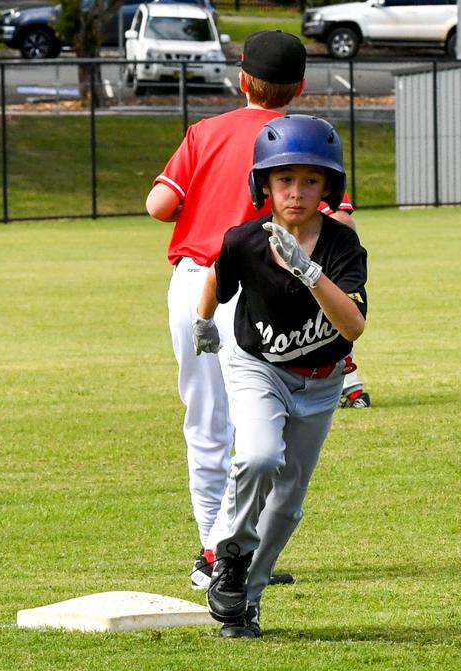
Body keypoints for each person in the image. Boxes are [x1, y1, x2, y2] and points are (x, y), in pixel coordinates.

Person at [146, 31, 369, 593]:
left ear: (240, 78)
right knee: (261, 432)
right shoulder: (300, 139)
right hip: (269, 282)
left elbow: (159, 205)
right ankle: (232, 550)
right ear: (299, 86)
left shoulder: (206, 132)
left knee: (207, 422)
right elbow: (339, 226)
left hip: (197, 281)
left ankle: (212, 550)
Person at [195, 114, 367, 638]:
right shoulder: (246, 240)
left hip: (321, 381)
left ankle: (245, 597)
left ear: (328, 188)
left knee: (288, 504)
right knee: (259, 454)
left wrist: (309, 272)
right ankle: (230, 553)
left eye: (310, 180)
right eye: (284, 179)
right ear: (262, 185)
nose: (296, 192)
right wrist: (203, 321)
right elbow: (217, 274)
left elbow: (353, 326)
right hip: (258, 367)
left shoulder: (342, 246)